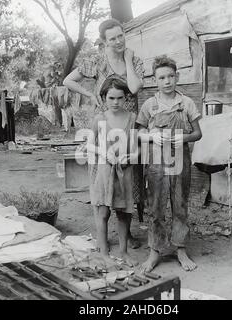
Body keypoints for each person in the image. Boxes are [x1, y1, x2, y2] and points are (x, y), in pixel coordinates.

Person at [63, 18, 144, 249]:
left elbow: (135, 88)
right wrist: (89, 95)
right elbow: (68, 80)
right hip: (103, 126)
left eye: (121, 36)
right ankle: (103, 236)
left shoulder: (135, 61)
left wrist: (126, 59)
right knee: (103, 178)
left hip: (128, 127)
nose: (118, 41)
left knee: (128, 181)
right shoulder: (97, 61)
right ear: (103, 41)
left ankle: (125, 235)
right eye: (112, 38)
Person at [136, 55, 202, 272]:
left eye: (171, 76)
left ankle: (180, 249)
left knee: (180, 206)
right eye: (162, 77)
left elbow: (198, 133)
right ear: (155, 80)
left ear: (177, 77)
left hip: (181, 163)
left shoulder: (187, 104)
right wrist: (151, 135)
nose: (167, 81)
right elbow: (138, 132)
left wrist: (183, 137)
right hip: (156, 165)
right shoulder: (150, 105)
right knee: (156, 208)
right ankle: (155, 251)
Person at [86, 77, 139, 267]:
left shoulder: (132, 118)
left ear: (126, 98)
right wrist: (104, 152)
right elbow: (89, 146)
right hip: (104, 170)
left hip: (124, 171)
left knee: (124, 212)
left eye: (119, 98)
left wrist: (130, 157)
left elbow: (136, 148)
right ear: (104, 97)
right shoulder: (99, 119)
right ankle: (104, 253)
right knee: (103, 212)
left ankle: (124, 252)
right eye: (111, 98)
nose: (115, 102)